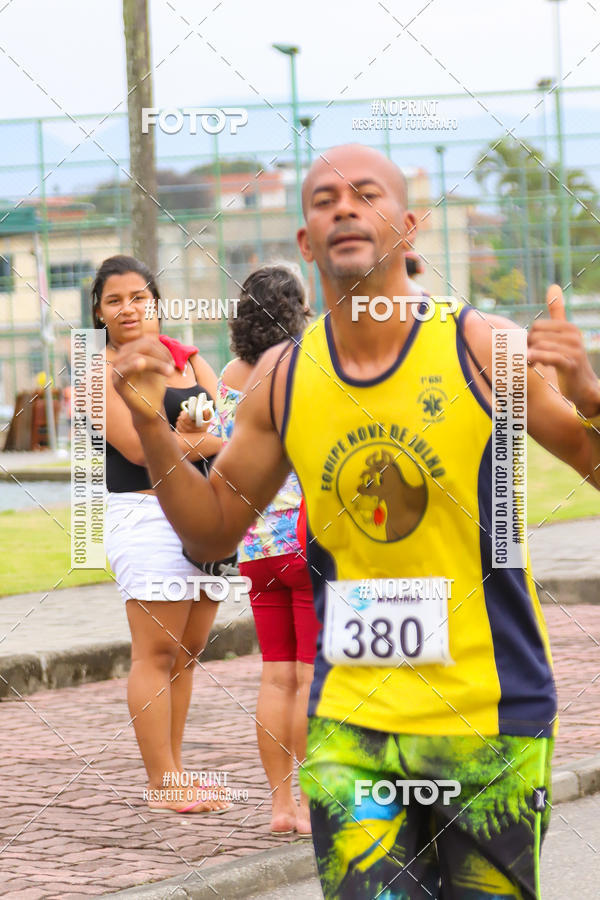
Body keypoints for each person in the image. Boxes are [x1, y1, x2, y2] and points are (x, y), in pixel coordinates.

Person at [109, 146, 600, 897]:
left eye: (365, 195)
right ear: (306, 242)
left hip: (488, 712)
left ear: (407, 228)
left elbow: (587, 460)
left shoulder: (484, 346)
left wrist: (591, 398)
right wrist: (150, 426)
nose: (343, 206)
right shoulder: (285, 377)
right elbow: (209, 535)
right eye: (324, 199)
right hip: (351, 726)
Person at [96, 254, 229, 814]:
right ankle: (162, 782)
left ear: (156, 302)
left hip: (204, 514)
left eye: (137, 297)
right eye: (113, 300)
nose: (128, 308)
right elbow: (133, 448)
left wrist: (173, 441)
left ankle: (175, 772)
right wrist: (186, 441)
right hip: (143, 517)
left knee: (188, 650)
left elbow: (228, 434)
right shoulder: (94, 366)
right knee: (156, 650)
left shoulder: (191, 358)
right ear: (99, 313)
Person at [213, 263, 320, 836]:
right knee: (307, 678)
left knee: (274, 676)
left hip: (254, 543)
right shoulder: (306, 367)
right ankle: (311, 803)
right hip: (304, 537)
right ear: (295, 310)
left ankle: (281, 807)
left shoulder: (231, 373)